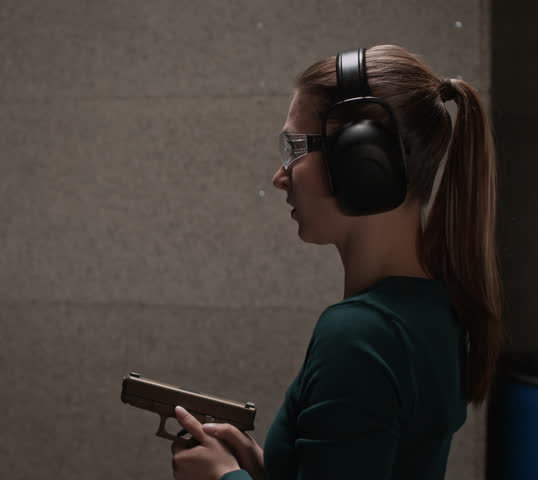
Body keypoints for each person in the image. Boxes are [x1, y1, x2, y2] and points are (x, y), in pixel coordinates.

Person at [170, 44, 505, 480]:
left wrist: (220, 478)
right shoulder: (434, 309)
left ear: (362, 158)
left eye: (295, 147)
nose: (279, 177)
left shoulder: (360, 335)